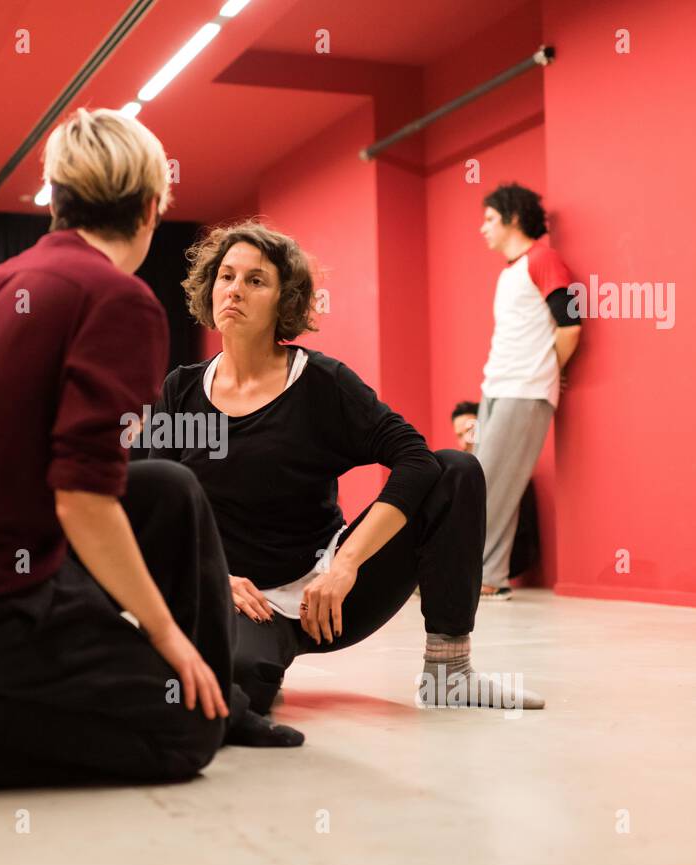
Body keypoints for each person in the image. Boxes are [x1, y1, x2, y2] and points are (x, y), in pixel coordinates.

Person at [0, 109, 291, 802]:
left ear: (53, 202)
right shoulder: (117, 299)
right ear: (149, 209)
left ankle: (216, 691)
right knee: (181, 735)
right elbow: (81, 498)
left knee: (168, 488)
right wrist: (167, 636)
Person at [152, 221, 545, 722]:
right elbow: (151, 503)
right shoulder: (182, 392)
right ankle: (260, 658)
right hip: (239, 596)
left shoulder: (320, 383)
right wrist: (209, 577)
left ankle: (450, 672)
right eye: (226, 276)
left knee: (455, 469)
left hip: (330, 594)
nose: (235, 290)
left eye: (256, 280)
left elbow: (415, 458)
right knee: (235, 688)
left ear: (283, 300)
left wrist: (345, 564)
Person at [475, 183, 579, 599]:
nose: (482, 229)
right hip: (496, 385)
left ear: (513, 218)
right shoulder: (509, 272)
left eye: (489, 219)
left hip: (525, 388)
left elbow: (570, 324)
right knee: (485, 481)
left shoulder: (544, 258)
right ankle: (492, 575)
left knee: (487, 482)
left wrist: (550, 368)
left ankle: (484, 575)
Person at [451, 400, 539, 580]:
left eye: (470, 432)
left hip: (509, 556)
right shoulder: (465, 473)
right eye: (459, 435)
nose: (463, 443)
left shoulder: (507, 468)